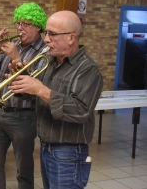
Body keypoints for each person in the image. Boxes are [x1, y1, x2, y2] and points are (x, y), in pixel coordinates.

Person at [8, 10, 104, 189]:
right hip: (47, 147)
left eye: (52, 34)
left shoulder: (88, 69)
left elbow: (80, 110)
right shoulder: (51, 62)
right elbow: (39, 96)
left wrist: (40, 88)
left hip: (69, 152)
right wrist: (23, 83)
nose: (45, 39)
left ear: (71, 38)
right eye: (46, 33)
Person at [0, 2, 48, 189]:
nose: (19, 28)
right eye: (18, 23)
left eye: (25, 24)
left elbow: (36, 85)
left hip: (24, 117)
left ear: (38, 26)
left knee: (24, 170)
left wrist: (16, 58)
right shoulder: (12, 45)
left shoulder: (45, 52)